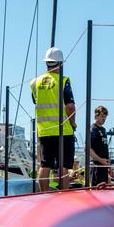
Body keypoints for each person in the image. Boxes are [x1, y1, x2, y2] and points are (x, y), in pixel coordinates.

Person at [30, 46, 76, 190]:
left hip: (44, 131)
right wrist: (73, 123)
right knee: (63, 166)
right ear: (61, 63)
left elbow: (35, 101)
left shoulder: (35, 83)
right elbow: (70, 107)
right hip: (63, 130)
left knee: (45, 165)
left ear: (46, 63)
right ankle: (63, 195)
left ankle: (43, 194)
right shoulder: (64, 81)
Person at [88, 106, 111, 186]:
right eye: (102, 116)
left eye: (105, 117)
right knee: (96, 191)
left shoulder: (103, 130)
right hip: (96, 166)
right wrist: (101, 160)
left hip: (104, 166)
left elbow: (104, 149)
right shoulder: (93, 129)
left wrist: (108, 165)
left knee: (104, 192)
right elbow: (87, 148)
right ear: (96, 116)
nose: (104, 119)